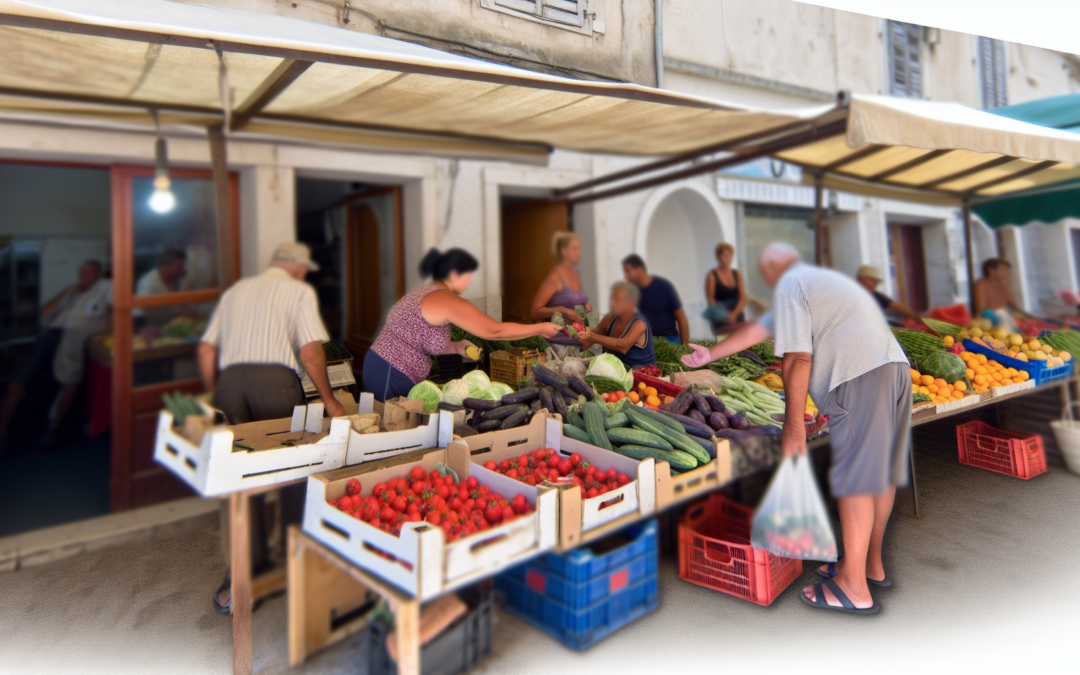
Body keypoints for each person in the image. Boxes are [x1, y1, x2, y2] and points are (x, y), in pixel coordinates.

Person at [682, 243, 910, 615]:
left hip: (858, 375)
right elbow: (765, 325)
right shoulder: (819, 282)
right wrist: (710, 355)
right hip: (894, 369)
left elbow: (799, 358)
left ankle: (853, 588)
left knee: (856, 479)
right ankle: (867, 565)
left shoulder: (791, 284)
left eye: (764, 272)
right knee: (878, 475)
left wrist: (793, 427)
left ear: (775, 269)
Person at [197, 242, 346, 614]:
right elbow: (311, 350)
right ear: (297, 268)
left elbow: (205, 349)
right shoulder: (297, 291)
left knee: (244, 480)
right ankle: (297, 565)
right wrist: (329, 400)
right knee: (294, 471)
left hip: (229, 386)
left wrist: (215, 395)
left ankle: (242, 580)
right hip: (275, 385)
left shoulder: (236, 292)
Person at [364, 248, 561, 402]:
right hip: (391, 372)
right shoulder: (443, 298)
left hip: (387, 369)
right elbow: (495, 331)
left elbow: (420, 339)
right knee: (391, 429)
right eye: (468, 274)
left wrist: (458, 347)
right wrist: (540, 328)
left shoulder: (430, 292)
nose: (470, 281)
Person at [0, 260, 111, 457]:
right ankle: (2, 432)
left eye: (91, 272)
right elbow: (45, 311)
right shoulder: (72, 290)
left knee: (71, 383)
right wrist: (67, 290)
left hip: (77, 339)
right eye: (83, 272)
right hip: (52, 335)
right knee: (15, 384)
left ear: (99, 273)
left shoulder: (107, 288)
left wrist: (106, 333)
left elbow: (116, 311)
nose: (86, 276)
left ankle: (52, 429)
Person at [578, 282, 656, 368]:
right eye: (612, 299)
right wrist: (574, 340)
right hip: (613, 373)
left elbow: (623, 346)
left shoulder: (639, 323)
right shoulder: (609, 318)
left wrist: (592, 336)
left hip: (643, 376)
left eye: (617, 300)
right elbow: (587, 341)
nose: (612, 304)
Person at [622, 254, 689, 345]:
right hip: (643, 339)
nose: (626, 276)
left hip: (668, 339)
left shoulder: (664, 287)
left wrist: (684, 349)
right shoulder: (631, 292)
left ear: (639, 269)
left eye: (628, 271)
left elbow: (681, 317)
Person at [530, 232, 592, 323]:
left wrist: (586, 305)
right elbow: (535, 312)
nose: (579, 253)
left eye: (580, 249)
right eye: (575, 249)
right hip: (560, 334)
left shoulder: (576, 274)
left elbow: (577, 300)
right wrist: (562, 310)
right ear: (564, 251)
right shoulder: (554, 277)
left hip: (579, 333)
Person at [973, 257, 1028, 331]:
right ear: (991, 270)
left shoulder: (1004, 285)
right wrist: (1001, 314)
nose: (1007, 273)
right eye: (1003, 269)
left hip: (1008, 316)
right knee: (1000, 314)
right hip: (989, 320)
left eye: (1008, 270)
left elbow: (1015, 306)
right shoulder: (981, 285)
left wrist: (1030, 317)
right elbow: (982, 311)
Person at [136, 248, 188, 325]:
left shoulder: (179, 279)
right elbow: (146, 308)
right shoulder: (148, 281)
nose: (181, 270)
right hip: (147, 324)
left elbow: (183, 306)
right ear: (165, 266)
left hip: (172, 323)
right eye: (178, 267)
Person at [855, 265, 921, 324]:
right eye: (872, 280)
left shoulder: (876, 295)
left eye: (876, 281)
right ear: (861, 279)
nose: (875, 284)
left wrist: (918, 318)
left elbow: (896, 305)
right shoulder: (852, 294)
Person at [704, 243, 747, 333]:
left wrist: (734, 314)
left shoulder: (737, 274)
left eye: (730, 256)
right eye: (724, 255)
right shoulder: (712, 275)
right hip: (720, 318)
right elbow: (711, 300)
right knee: (725, 343)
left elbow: (743, 297)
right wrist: (725, 316)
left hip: (737, 316)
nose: (727, 259)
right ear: (719, 257)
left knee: (740, 344)